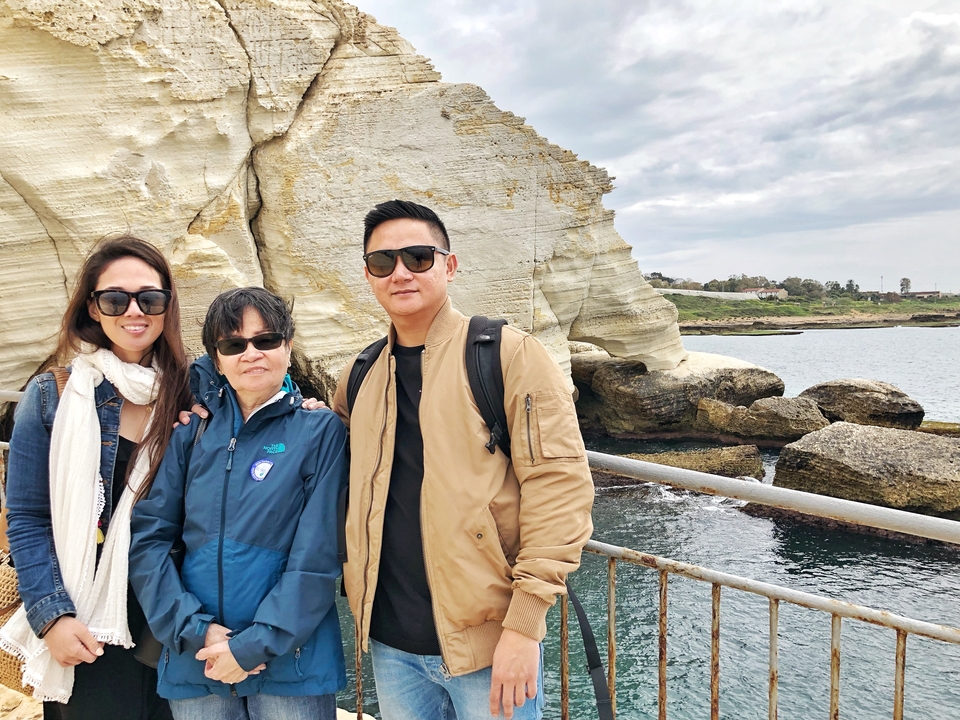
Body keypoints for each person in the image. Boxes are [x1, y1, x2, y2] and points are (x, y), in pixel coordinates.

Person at [331, 200, 595, 720]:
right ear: (369, 276)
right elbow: (320, 455)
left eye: (418, 257)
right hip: (390, 645)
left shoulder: (506, 354)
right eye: (383, 263)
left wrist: (523, 627)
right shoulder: (362, 373)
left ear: (449, 265)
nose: (401, 273)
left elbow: (559, 486)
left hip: (489, 643)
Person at [128, 287, 348, 720]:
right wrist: (197, 632)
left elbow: (317, 557)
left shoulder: (319, 430)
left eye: (265, 340)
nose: (251, 354)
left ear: (287, 346)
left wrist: (251, 646)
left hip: (292, 663)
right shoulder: (190, 430)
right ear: (217, 356)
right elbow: (149, 539)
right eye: (234, 344)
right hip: (197, 660)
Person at [1, 237, 193, 718]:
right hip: (88, 615)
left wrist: (307, 409)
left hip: (178, 615)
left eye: (150, 298)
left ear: (167, 306)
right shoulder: (52, 394)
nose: (135, 310)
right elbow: (26, 517)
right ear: (93, 306)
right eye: (115, 298)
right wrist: (52, 617)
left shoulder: (196, 391)